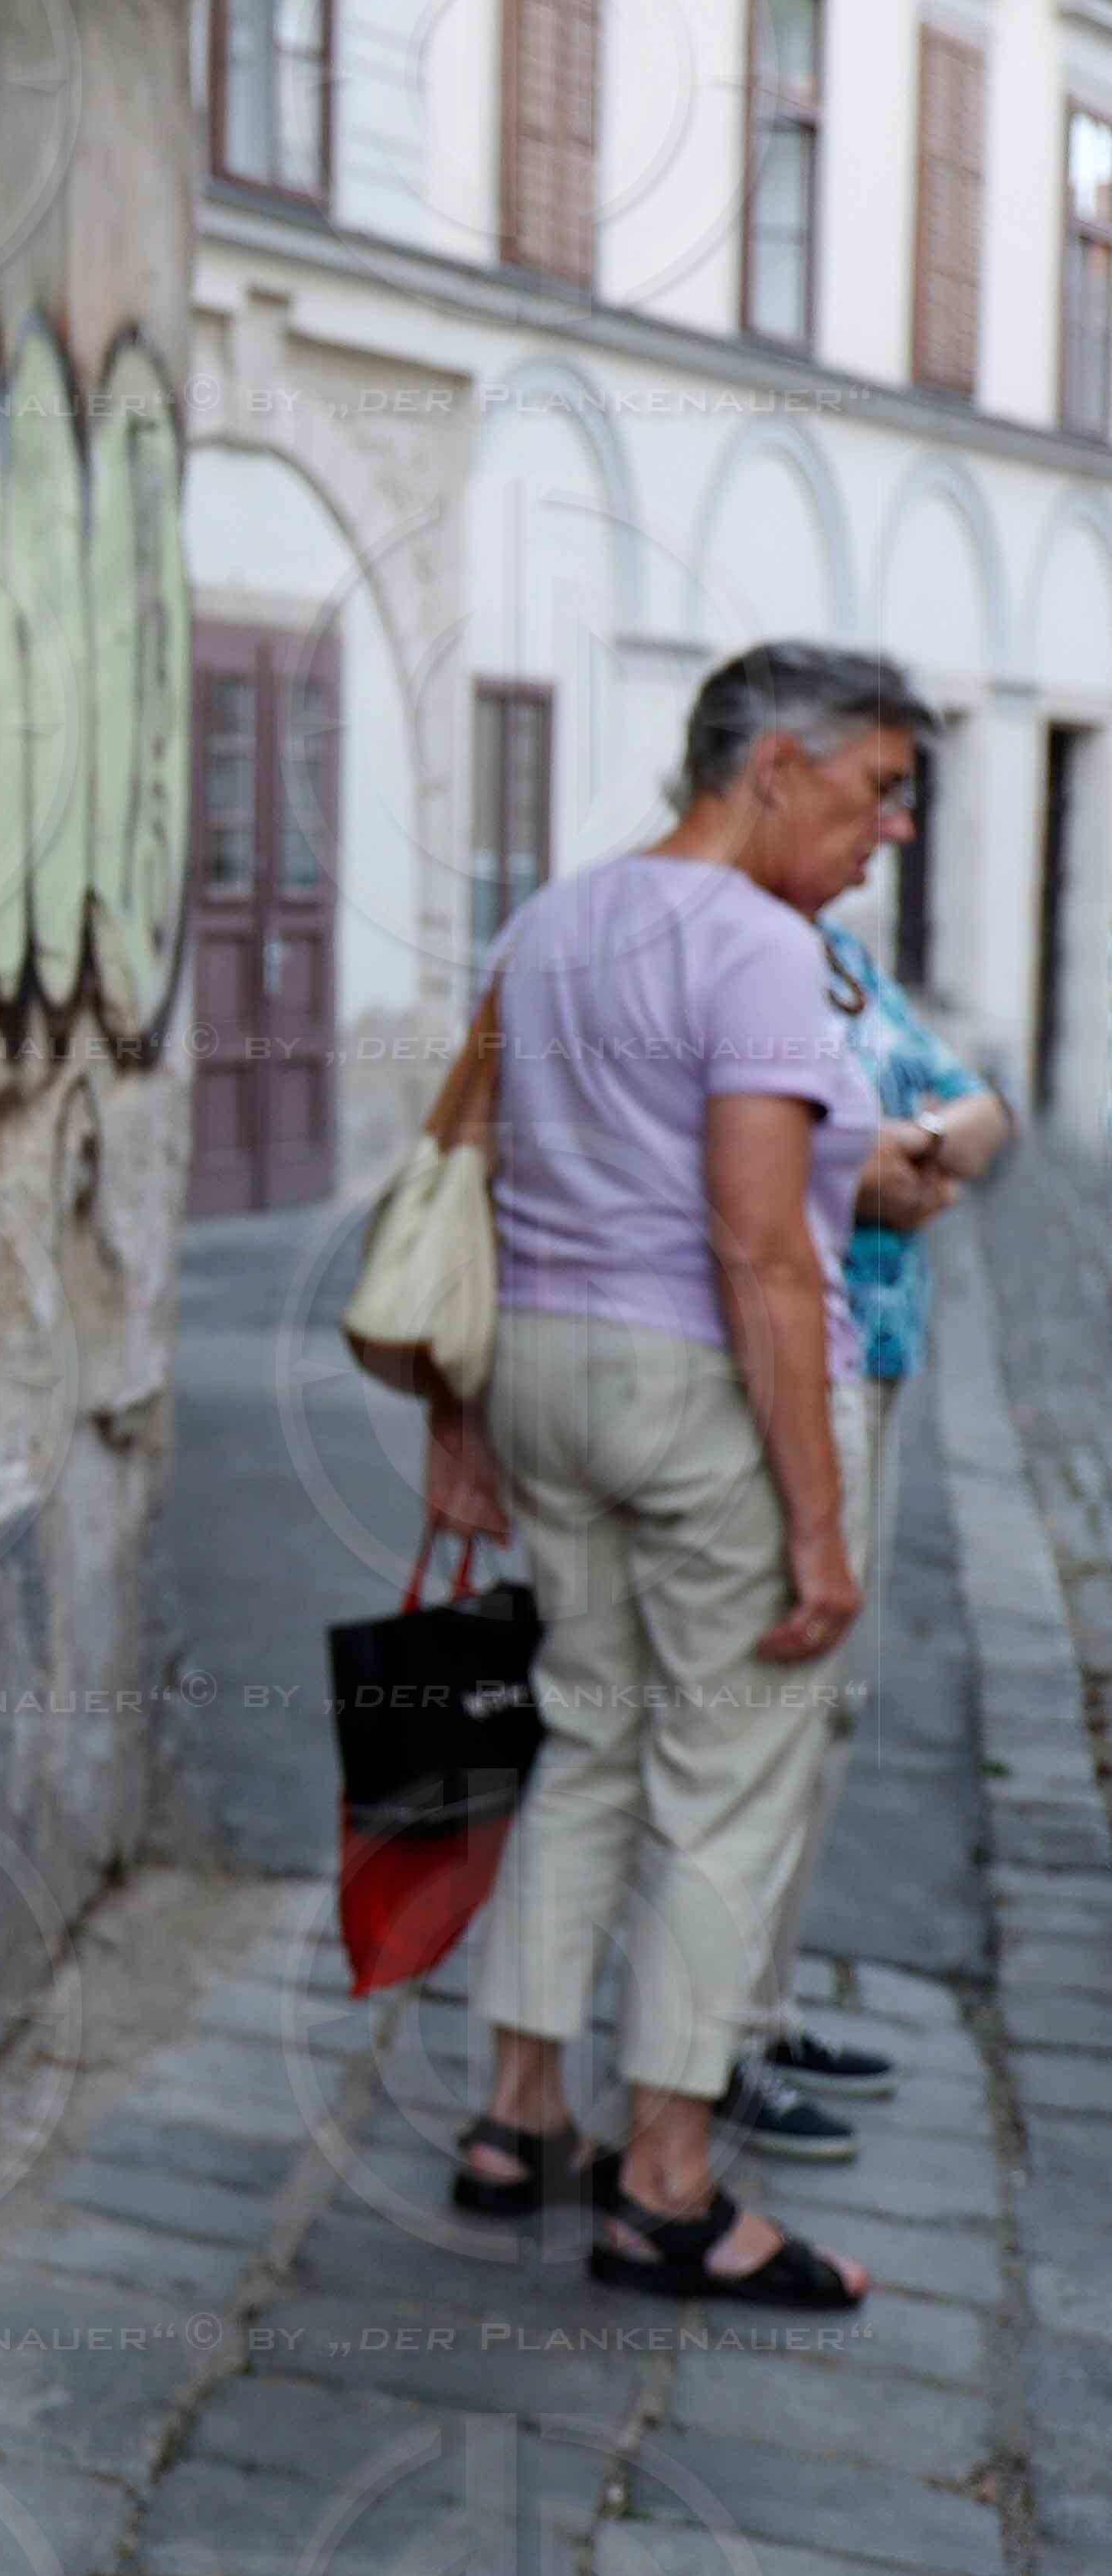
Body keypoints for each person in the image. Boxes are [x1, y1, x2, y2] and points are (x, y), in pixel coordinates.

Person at [432, 642, 935, 2308]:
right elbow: (763, 1247)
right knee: (733, 1775)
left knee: (584, 1741)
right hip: (693, 1385)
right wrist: (820, 1523)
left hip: (545, 1372)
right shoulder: (758, 948)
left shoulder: (554, 917)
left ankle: (517, 2113)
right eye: (877, 786)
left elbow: (461, 1160)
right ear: (775, 763)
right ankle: (666, 2185)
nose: (893, 828)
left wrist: (457, 1421)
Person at [710, 916, 1010, 2160]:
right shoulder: (732, 952)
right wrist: (898, 1160)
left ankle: (762, 2012)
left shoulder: (844, 956)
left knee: (830, 1712)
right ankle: (708, 2043)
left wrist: (928, 1143)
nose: (885, 830)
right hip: (787, 1372)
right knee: (762, 1715)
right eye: (868, 793)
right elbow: (830, 1175)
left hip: (879, 1362)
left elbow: (977, 1108)